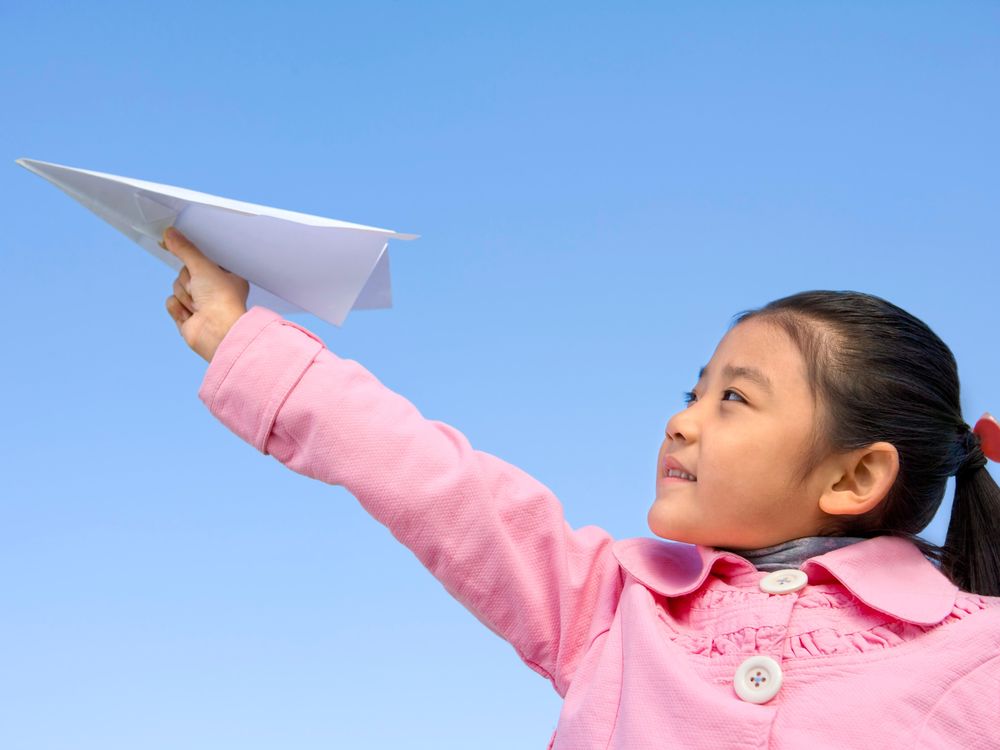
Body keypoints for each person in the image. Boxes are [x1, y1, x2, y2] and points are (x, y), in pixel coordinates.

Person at [161, 226, 1000, 749]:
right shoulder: (608, 607)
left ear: (854, 475)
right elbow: (429, 478)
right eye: (692, 392)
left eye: (734, 398)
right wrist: (246, 343)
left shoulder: (978, 656)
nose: (683, 422)